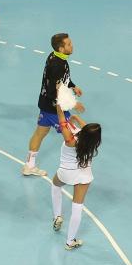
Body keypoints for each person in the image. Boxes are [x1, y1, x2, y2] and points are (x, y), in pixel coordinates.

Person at [23, 33, 84, 176]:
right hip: (54, 109)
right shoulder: (58, 65)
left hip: (45, 104)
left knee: (39, 133)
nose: (72, 46)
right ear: (61, 48)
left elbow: (61, 81)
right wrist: (73, 104)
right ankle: (74, 170)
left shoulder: (55, 56)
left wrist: (73, 86)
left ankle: (29, 166)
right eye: (68, 44)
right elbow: (54, 92)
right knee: (73, 138)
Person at [50, 104, 101, 250]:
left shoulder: (71, 140)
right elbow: (88, 131)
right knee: (77, 207)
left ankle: (57, 216)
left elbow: (62, 121)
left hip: (65, 173)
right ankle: (70, 241)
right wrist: (77, 118)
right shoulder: (93, 142)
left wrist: (59, 107)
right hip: (83, 176)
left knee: (55, 185)